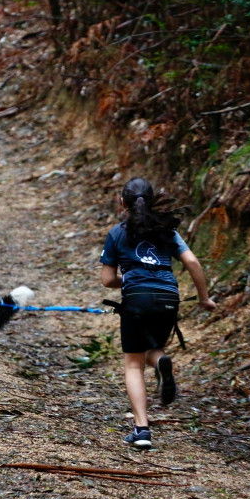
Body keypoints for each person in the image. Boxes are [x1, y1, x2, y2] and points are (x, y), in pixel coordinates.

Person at [100, 177, 217, 449]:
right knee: (152, 348)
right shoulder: (168, 230)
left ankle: (142, 430)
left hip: (137, 300)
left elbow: (107, 280)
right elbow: (192, 262)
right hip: (168, 298)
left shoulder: (117, 233)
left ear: (122, 202)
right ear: (152, 200)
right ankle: (162, 360)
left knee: (133, 363)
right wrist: (204, 298)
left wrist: (129, 279)